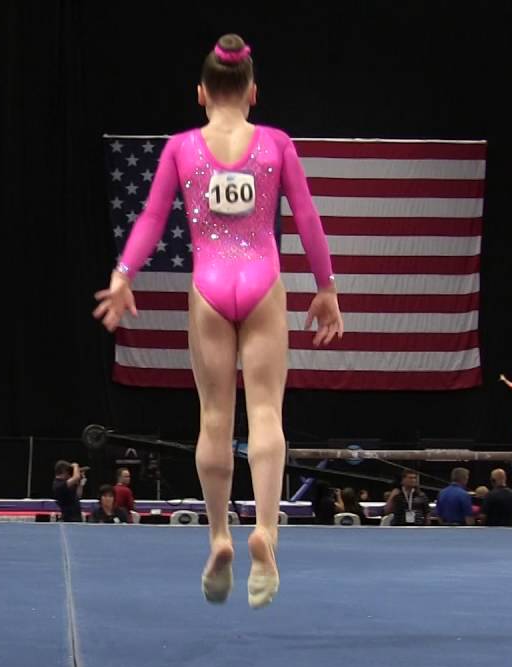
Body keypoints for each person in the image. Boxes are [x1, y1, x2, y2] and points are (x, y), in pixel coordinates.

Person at [93, 34, 341, 608]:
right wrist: (326, 287)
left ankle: (219, 537)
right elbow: (307, 217)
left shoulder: (183, 148)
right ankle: (267, 535)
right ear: (253, 92)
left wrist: (125, 274)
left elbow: (152, 217)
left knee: (212, 419)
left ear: (200, 93)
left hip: (208, 287)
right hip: (262, 282)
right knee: (266, 413)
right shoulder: (276, 143)